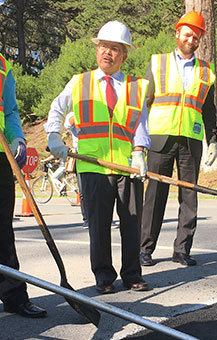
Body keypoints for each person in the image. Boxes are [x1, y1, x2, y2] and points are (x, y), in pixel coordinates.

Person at [44, 20, 150, 293]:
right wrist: (53, 136)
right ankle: (103, 276)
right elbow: (57, 109)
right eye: (103, 46)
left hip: (126, 166)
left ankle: (131, 273)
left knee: (132, 224)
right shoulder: (79, 83)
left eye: (115, 48)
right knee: (99, 225)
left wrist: (139, 153)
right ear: (96, 50)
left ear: (124, 55)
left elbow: (140, 125)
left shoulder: (135, 86)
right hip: (92, 166)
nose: (107, 52)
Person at [140, 11, 217, 267]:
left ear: (200, 40)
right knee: (155, 194)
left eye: (196, 36)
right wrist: (138, 138)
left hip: (191, 140)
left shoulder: (206, 71)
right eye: (187, 34)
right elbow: (144, 102)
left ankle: (181, 250)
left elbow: (209, 109)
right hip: (160, 138)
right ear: (177, 34)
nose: (191, 39)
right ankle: (145, 249)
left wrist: (214, 140)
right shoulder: (158, 63)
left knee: (189, 196)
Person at [0, 22, 47, 317]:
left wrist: (18, 136)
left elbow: (11, 109)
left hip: (0, 155)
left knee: (3, 231)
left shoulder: (2, 64)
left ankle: (14, 295)